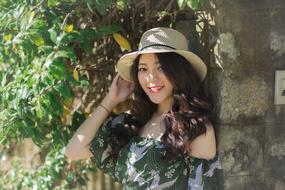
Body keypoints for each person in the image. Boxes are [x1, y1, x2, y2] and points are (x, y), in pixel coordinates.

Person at [65, 27, 223, 189]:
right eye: (143, 69)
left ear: (178, 71)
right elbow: (74, 150)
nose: (151, 78)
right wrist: (110, 99)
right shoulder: (131, 123)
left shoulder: (194, 126)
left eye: (160, 67)